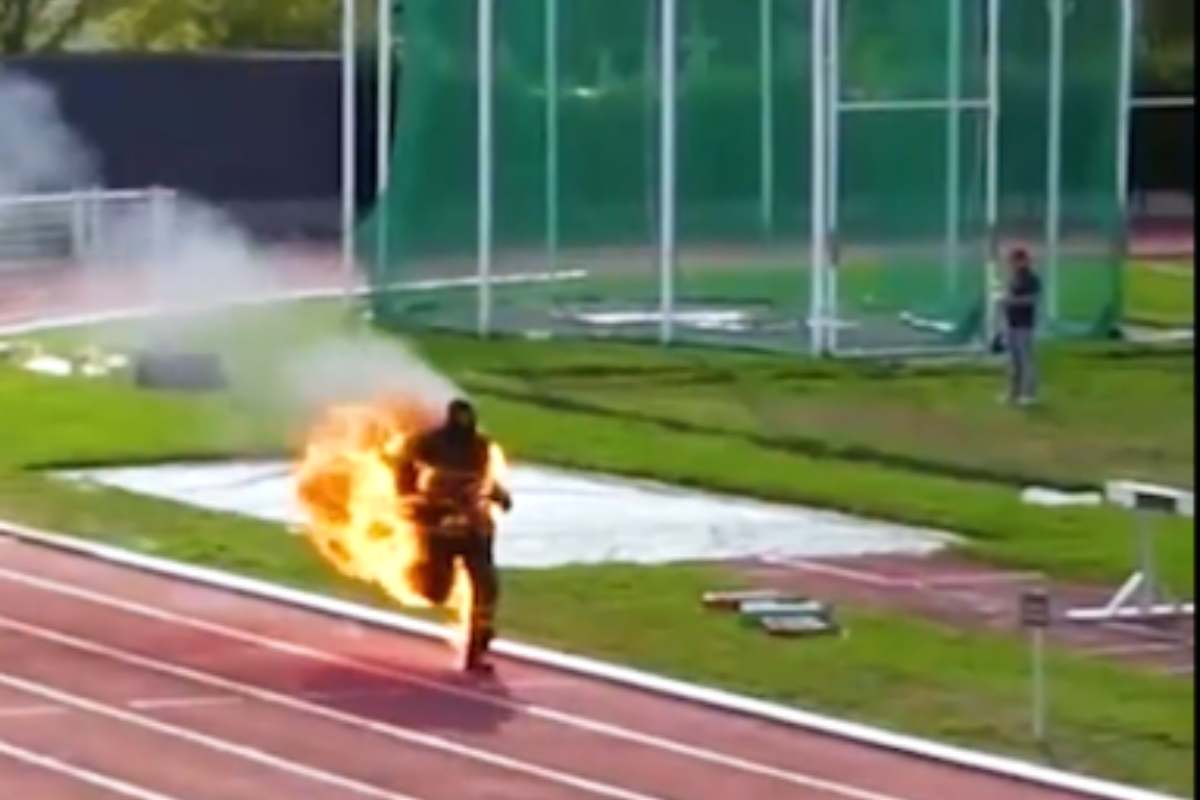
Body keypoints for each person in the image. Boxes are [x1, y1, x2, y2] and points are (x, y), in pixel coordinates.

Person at [394, 399, 512, 673]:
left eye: (468, 417)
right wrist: (411, 497)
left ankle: (478, 644)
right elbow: (404, 465)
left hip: (474, 525)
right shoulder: (430, 443)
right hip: (439, 525)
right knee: (436, 590)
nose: (464, 424)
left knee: (486, 585)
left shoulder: (481, 446)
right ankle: (422, 575)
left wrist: (499, 496)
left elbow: (484, 481)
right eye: (460, 417)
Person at [1001, 248, 1042, 406]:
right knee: (1013, 361)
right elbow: (1009, 295)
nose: (1012, 265)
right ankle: (1013, 393)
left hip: (1025, 325)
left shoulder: (1031, 279)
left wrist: (1013, 301)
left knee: (1027, 360)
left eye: (1015, 260)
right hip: (1011, 323)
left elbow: (1033, 300)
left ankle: (1029, 394)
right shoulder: (1013, 278)